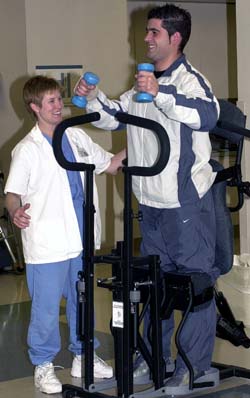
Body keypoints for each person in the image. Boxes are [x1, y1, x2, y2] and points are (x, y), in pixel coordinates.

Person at [74, 2, 221, 391]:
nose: (145, 38)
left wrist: (162, 94)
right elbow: (114, 115)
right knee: (155, 285)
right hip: (150, 205)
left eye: (153, 31)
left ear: (174, 37)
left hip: (185, 203)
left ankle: (193, 366)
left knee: (195, 284)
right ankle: (155, 358)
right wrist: (92, 97)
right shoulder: (141, 83)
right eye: (147, 31)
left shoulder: (190, 80)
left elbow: (208, 114)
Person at [4, 75, 126, 395]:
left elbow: (111, 165)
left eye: (60, 99)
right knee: (45, 311)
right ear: (34, 107)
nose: (59, 106)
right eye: (51, 101)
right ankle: (43, 365)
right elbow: (12, 193)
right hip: (46, 242)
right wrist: (14, 211)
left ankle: (83, 354)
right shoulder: (26, 149)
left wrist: (143, 138)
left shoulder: (76, 137)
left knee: (81, 302)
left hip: (80, 238)